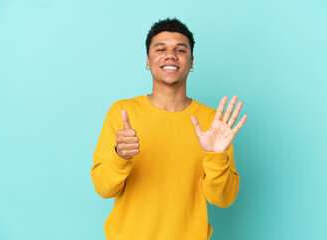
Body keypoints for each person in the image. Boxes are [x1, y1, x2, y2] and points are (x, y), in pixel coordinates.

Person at [91, 17, 247, 240]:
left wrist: (217, 156)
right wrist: (119, 156)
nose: (170, 55)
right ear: (148, 59)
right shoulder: (122, 112)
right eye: (160, 48)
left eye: (180, 50)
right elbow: (103, 188)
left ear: (191, 61)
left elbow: (223, 199)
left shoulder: (214, 122)